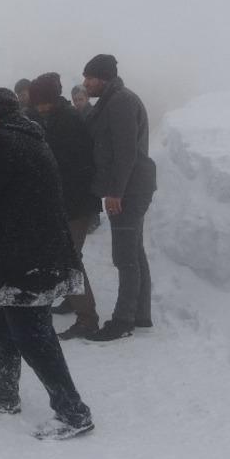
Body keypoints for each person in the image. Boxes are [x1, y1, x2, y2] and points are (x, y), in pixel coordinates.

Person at [0, 88, 93, 440]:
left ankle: (73, 413)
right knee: (0, 321)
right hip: (31, 248)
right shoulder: (29, 136)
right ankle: (3, 394)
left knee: (33, 334)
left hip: (24, 256)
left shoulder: (1, 142)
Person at [82, 54, 157, 341]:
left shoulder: (121, 101)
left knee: (124, 257)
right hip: (131, 187)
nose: (85, 83)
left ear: (103, 78)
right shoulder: (115, 99)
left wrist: (116, 192)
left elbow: (125, 152)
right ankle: (140, 314)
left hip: (129, 190)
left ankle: (123, 321)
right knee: (134, 252)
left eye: (89, 77)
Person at [29, 73, 103, 340]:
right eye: (37, 103)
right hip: (60, 203)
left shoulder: (69, 122)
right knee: (70, 257)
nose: (38, 107)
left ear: (51, 100)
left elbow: (76, 168)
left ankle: (87, 319)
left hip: (74, 203)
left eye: (42, 102)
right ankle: (74, 301)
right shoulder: (46, 119)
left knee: (68, 259)